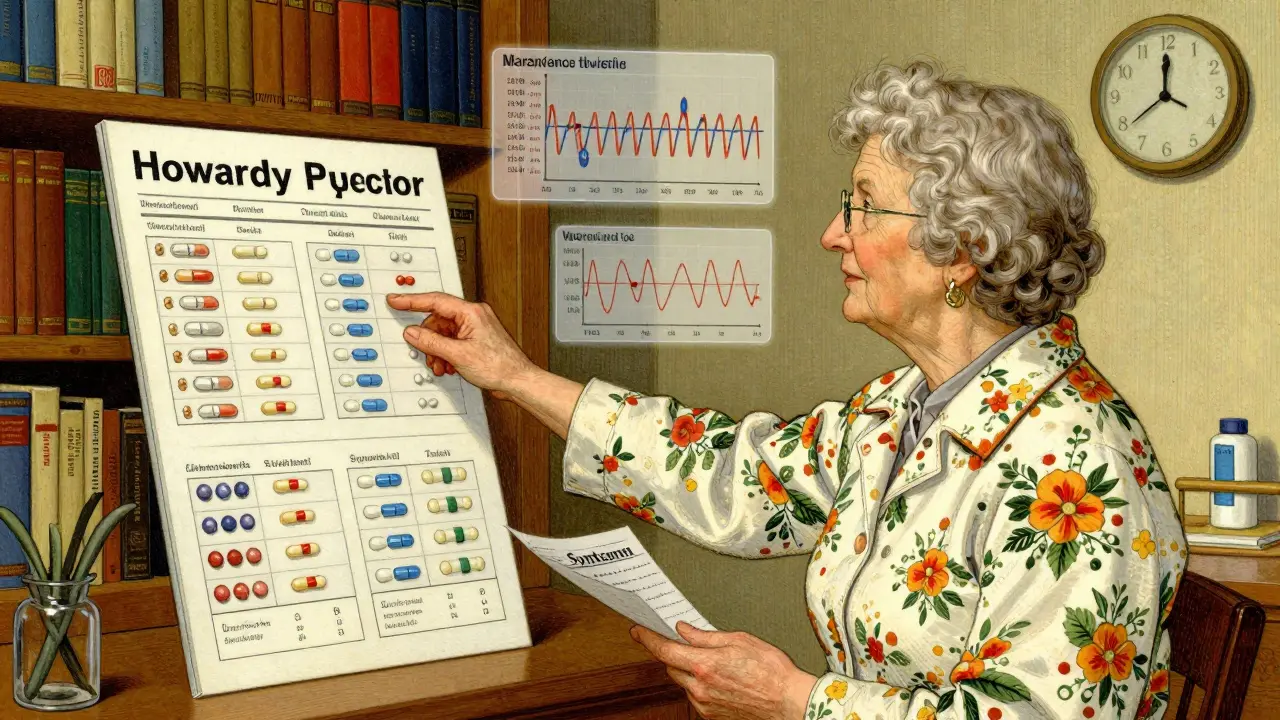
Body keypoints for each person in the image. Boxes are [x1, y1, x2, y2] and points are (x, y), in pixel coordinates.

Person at [387, 60, 1185, 720]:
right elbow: (737, 475)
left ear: (964, 249)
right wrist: (515, 376)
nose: (833, 233)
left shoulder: (1079, 469)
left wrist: (793, 699)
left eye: (866, 205)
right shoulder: (901, 409)